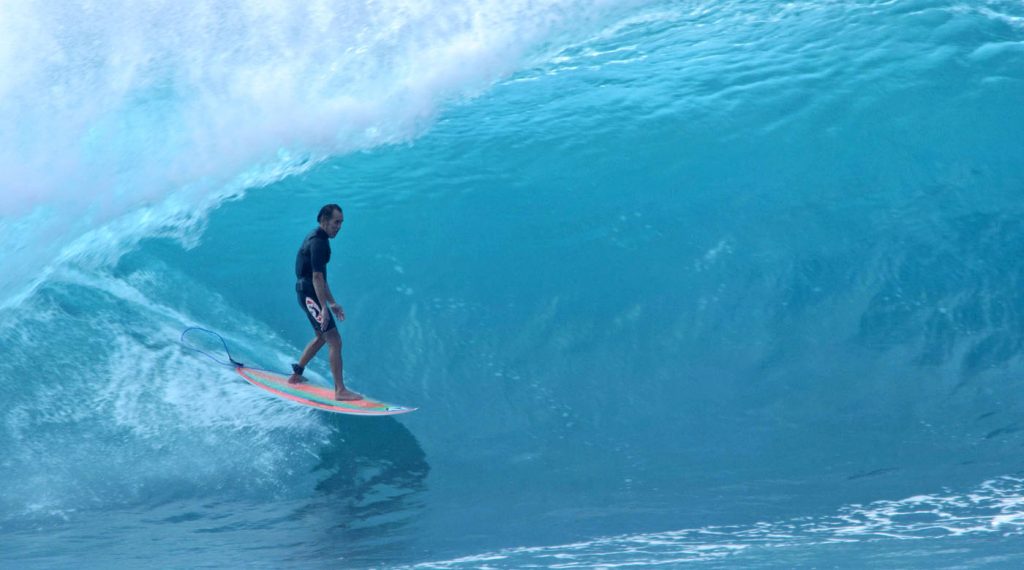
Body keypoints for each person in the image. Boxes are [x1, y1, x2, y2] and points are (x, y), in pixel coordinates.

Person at [288, 203, 361, 401]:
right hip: (309, 293)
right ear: (324, 221)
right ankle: (340, 390)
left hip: (307, 292)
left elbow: (319, 278)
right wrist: (323, 308)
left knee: (322, 336)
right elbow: (317, 278)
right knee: (334, 340)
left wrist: (332, 303)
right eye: (336, 222)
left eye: (341, 223)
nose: (339, 226)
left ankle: (296, 375)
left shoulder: (318, 238)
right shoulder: (318, 243)